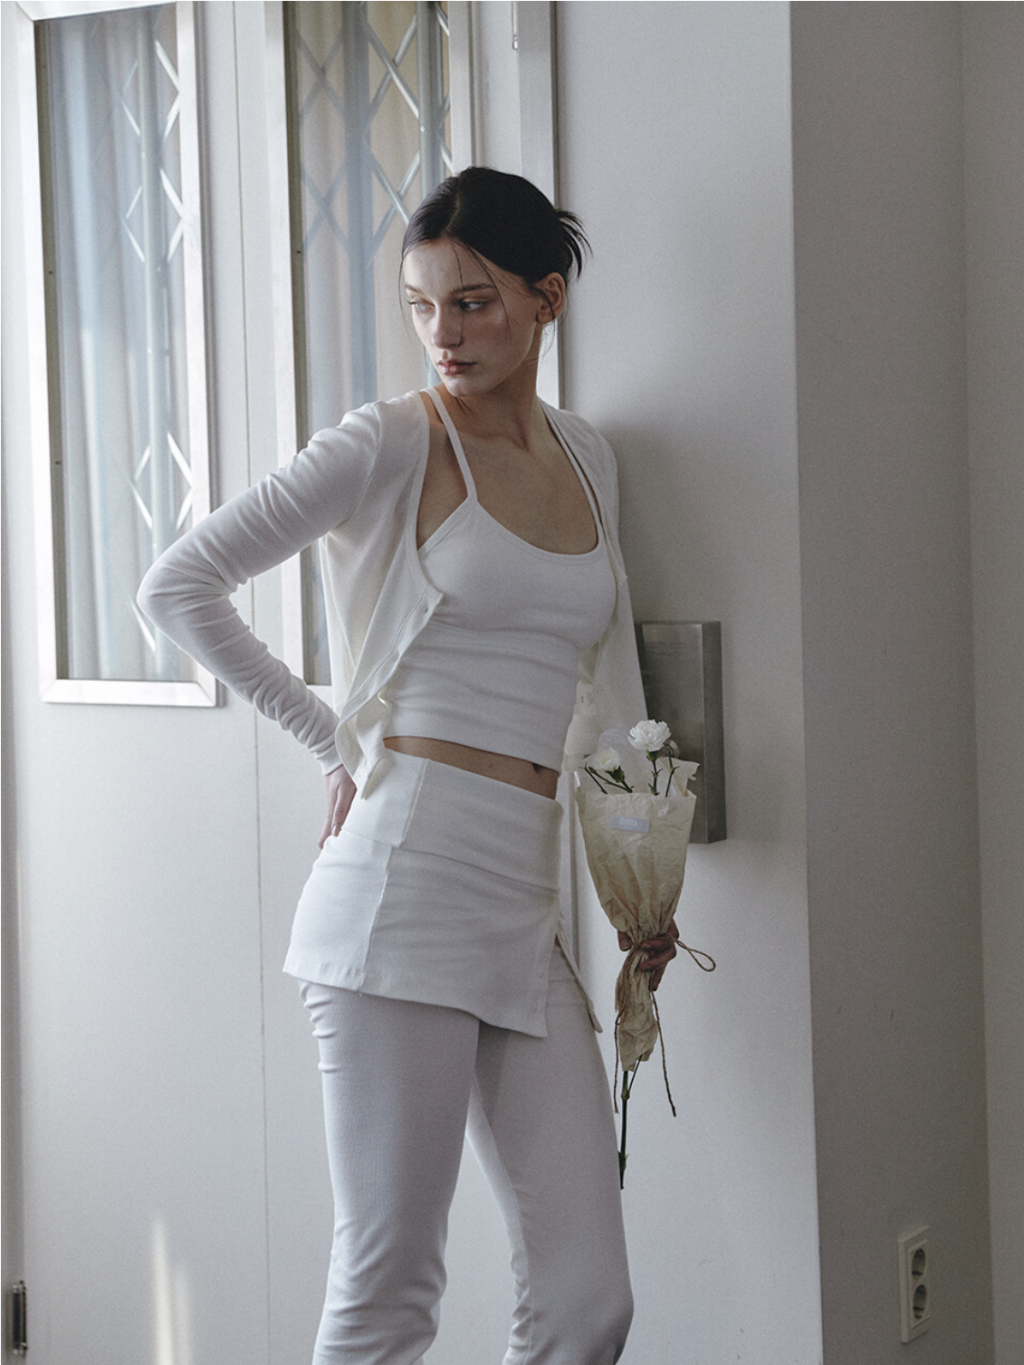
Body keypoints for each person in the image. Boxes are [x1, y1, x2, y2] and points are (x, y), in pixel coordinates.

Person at [138, 166, 680, 1365]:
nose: (445, 333)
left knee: (589, 1300)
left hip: (521, 913)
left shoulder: (588, 456)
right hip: (397, 899)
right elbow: (178, 587)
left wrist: (641, 880)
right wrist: (332, 738)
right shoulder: (390, 442)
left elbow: (608, 686)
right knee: (390, 1291)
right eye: (422, 305)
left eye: (473, 303)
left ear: (546, 299)